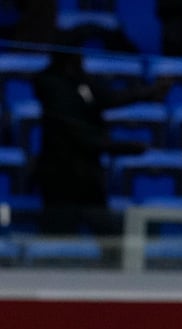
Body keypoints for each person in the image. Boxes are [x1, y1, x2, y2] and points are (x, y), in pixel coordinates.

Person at [33, 44, 165, 246]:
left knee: (105, 233)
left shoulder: (81, 82)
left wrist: (148, 92)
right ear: (67, 61)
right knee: (58, 236)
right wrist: (127, 147)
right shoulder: (54, 89)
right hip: (60, 175)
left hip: (88, 174)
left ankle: (115, 265)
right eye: (77, 59)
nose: (82, 64)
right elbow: (83, 138)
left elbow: (108, 97)